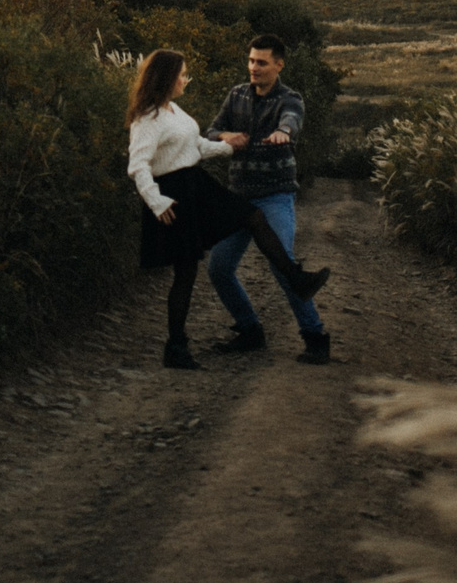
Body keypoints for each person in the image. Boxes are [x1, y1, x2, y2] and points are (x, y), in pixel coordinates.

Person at [126, 48, 328, 370]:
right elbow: (138, 166)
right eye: (181, 73)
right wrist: (156, 200)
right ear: (166, 77)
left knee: (252, 217)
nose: (185, 79)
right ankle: (176, 348)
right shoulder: (148, 118)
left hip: (196, 185)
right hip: (172, 194)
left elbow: (194, 146)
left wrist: (227, 145)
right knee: (186, 272)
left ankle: (296, 277)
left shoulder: (174, 111)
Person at [205, 33, 332, 364]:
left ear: (279, 65)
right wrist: (225, 135)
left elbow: (292, 120)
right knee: (219, 268)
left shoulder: (290, 98)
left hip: (274, 198)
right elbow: (210, 131)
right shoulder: (236, 95)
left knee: (282, 265)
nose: (254, 67)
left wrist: (284, 132)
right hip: (238, 198)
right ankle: (250, 331)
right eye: (251, 60)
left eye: (261, 62)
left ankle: (315, 337)